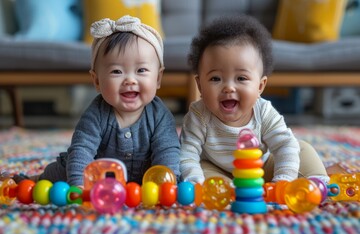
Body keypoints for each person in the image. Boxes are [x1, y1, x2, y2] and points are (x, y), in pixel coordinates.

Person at [19, 15, 181, 187]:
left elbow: (168, 151)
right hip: (96, 178)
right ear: (96, 81)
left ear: (158, 78)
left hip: (144, 179)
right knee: (58, 175)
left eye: (141, 70)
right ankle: (34, 179)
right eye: (117, 72)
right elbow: (82, 149)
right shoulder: (96, 114)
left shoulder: (160, 116)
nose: (130, 80)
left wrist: (166, 183)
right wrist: (79, 184)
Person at [179, 15, 329, 185]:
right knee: (204, 174)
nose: (229, 87)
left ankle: (318, 183)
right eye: (215, 79)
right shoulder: (199, 115)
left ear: (260, 86)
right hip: (217, 168)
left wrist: (283, 180)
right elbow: (187, 153)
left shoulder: (263, 112)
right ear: (200, 85)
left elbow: (284, 145)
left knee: (300, 148)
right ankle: (226, 190)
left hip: (260, 168)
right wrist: (195, 183)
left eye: (241, 78)